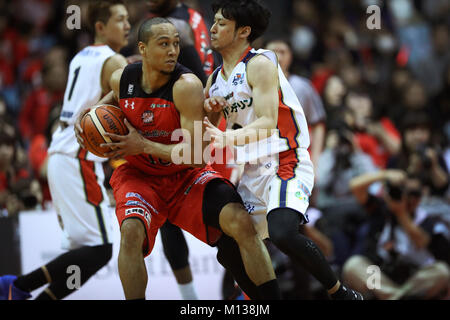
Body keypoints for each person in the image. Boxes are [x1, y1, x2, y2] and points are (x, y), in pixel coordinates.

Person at [75, 17, 281, 300]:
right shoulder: (122, 78)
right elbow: (113, 97)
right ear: (143, 49)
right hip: (140, 178)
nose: (173, 50)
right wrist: (88, 116)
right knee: (131, 232)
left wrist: (142, 145)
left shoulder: (186, 85)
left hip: (185, 176)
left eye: (175, 43)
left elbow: (197, 158)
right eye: (163, 44)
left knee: (241, 223)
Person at [203, 0, 362, 300]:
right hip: (252, 170)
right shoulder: (214, 80)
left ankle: (340, 292)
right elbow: (206, 129)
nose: (213, 28)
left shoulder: (261, 62)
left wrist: (225, 138)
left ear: (243, 31)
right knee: (228, 248)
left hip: (284, 160)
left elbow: (265, 123)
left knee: (283, 232)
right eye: (214, 21)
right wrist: (210, 111)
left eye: (222, 23)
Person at [0, 0, 130, 300]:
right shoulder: (113, 61)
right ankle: (17, 285)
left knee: (83, 257)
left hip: (64, 155)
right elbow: (131, 94)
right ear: (100, 26)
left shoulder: (80, 55)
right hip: (78, 158)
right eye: (120, 19)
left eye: (127, 19)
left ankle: (22, 292)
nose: (126, 26)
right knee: (102, 250)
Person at [144, 0, 216, 299]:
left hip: (201, 123)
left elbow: (194, 81)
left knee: (220, 217)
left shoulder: (176, 25)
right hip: (206, 117)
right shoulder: (192, 14)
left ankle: (198, 298)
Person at [343, 170, 450, 299]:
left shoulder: (426, 219)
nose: (410, 199)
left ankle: (395, 297)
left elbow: (421, 241)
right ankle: (397, 297)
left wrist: (401, 213)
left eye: (414, 194)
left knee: (442, 271)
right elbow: (355, 186)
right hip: (382, 279)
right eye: (404, 192)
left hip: (413, 282)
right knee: (353, 265)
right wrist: (384, 175)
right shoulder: (382, 209)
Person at [265, 39, 326, 172]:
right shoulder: (250, 85)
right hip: (263, 157)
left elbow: (317, 124)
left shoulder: (302, 86)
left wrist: (315, 162)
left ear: (290, 56)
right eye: (273, 51)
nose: (278, 57)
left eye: (283, 52)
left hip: (295, 158)